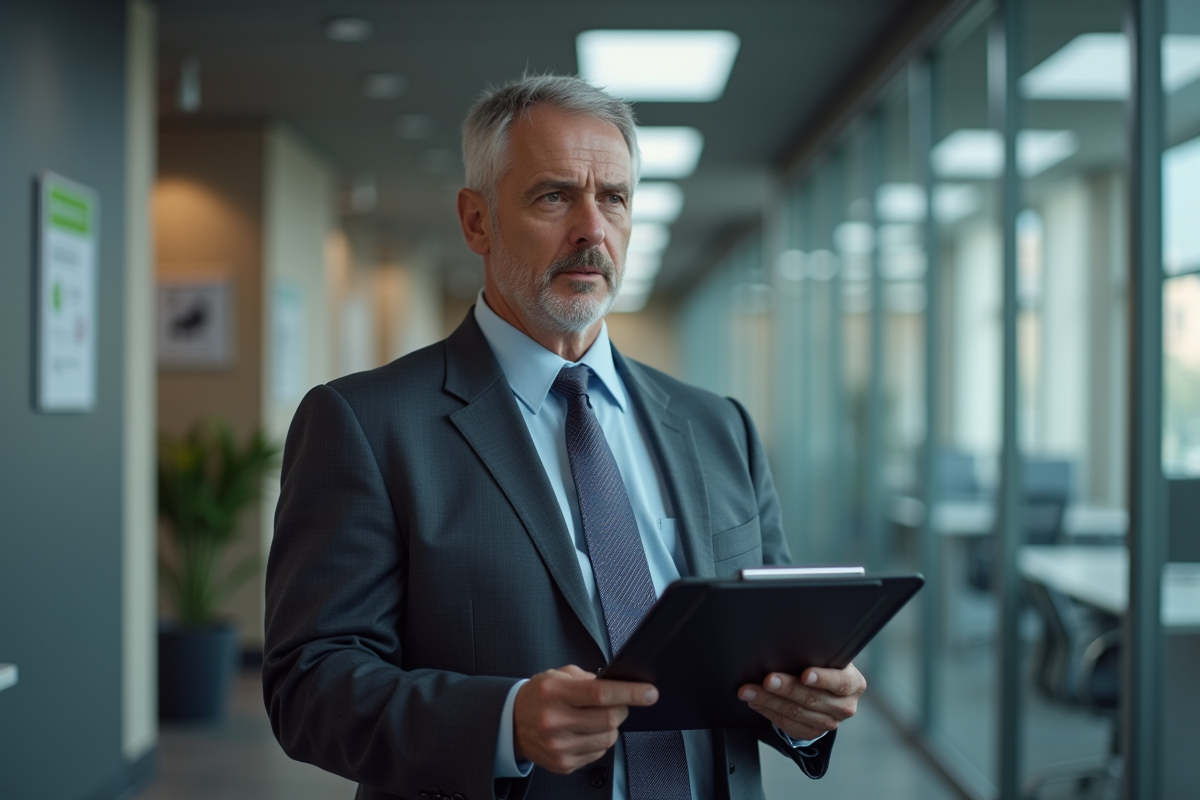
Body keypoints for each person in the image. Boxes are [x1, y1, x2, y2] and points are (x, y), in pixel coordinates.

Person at [264, 74, 866, 800]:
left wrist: (804, 710)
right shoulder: (366, 424)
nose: (592, 230)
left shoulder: (718, 427)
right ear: (476, 221)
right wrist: (503, 722)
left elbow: (772, 645)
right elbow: (310, 684)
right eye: (554, 196)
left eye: (613, 198)